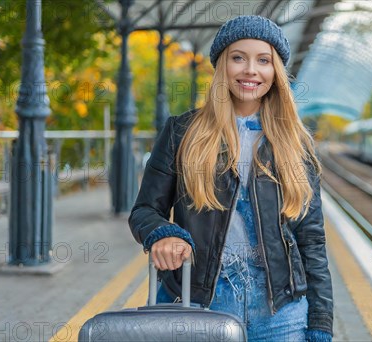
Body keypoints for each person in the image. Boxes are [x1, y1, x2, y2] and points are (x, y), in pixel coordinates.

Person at [129, 15, 333, 342]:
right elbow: (143, 210)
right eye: (238, 58)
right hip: (199, 304)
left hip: (281, 311)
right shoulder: (182, 132)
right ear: (222, 66)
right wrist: (162, 233)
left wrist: (321, 324)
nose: (251, 70)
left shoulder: (296, 143)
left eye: (263, 60)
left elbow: (312, 240)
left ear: (275, 72)